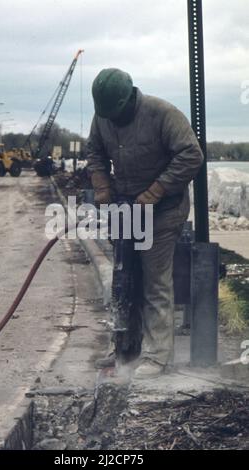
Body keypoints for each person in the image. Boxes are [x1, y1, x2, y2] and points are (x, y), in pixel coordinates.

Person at [87, 68, 204, 378]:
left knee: (154, 280)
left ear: (128, 99)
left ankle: (157, 356)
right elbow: (95, 153)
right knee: (125, 278)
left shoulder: (162, 114)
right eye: (106, 115)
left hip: (163, 209)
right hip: (126, 209)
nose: (111, 119)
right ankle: (125, 346)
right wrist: (102, 187)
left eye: (116, 113)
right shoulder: (103, 118)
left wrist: (155, 191)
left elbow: (191, 155)